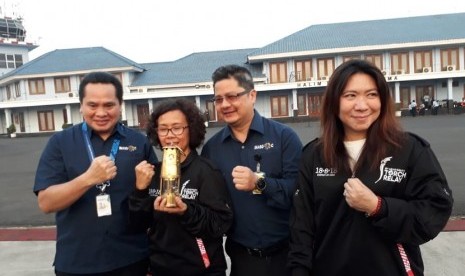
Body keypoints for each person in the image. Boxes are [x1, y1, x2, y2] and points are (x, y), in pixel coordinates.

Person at [288, 60, 453, 276]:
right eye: (350, 95)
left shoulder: (409, 149)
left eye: (372, 94)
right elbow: (301, 228)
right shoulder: (314, 155)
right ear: (334, 102)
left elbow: (434, 212)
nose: (362, 105)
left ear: (383, 100)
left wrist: (378, 207)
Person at [34, 72, 158, 275]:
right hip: (77, 262)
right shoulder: (60, 143)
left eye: (109, 105)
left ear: (120, 104)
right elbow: (46, 203)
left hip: (132, 258)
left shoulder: (138, 142)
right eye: (92, 105)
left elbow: (153, 200)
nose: (101, 113)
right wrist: (88, 179)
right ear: (81, 105)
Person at [201, 64, 302, 276]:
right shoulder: (212, 148)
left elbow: (298, 193)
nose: (225, 104)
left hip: (287, 256)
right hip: (241, 259)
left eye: (232, 96)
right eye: (218, 99)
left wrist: (259, 182)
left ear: (252, 95)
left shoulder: (284, 138)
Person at [128, 98, 233, 276]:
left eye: (177, 128)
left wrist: (186, 211)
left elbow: (220, 224)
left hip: (201, 269)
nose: (170, 135)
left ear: (190, 130)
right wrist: (139, 190)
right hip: (160, 269)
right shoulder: (152, 172)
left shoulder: (206, 171)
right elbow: (137, 225)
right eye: (163, 129)